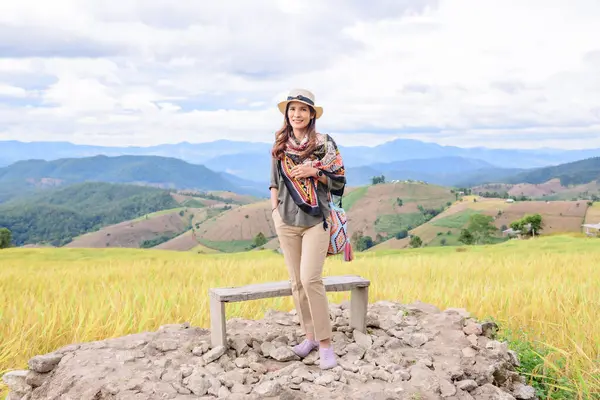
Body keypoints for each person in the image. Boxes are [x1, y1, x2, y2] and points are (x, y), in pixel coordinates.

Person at [269, 88, 346, 370]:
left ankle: (325, 344)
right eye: (292, 109)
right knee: (296, 282)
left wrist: (316, 172)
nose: (296, 114)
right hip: (286, 221)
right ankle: (310, 337)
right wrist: (275, 210)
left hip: (316, 220)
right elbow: (274, 181)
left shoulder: (325, 144)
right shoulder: (280, 145)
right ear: (287, 114)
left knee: (310, 279)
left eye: (302, 109)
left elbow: (339, 180)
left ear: (312, 114)